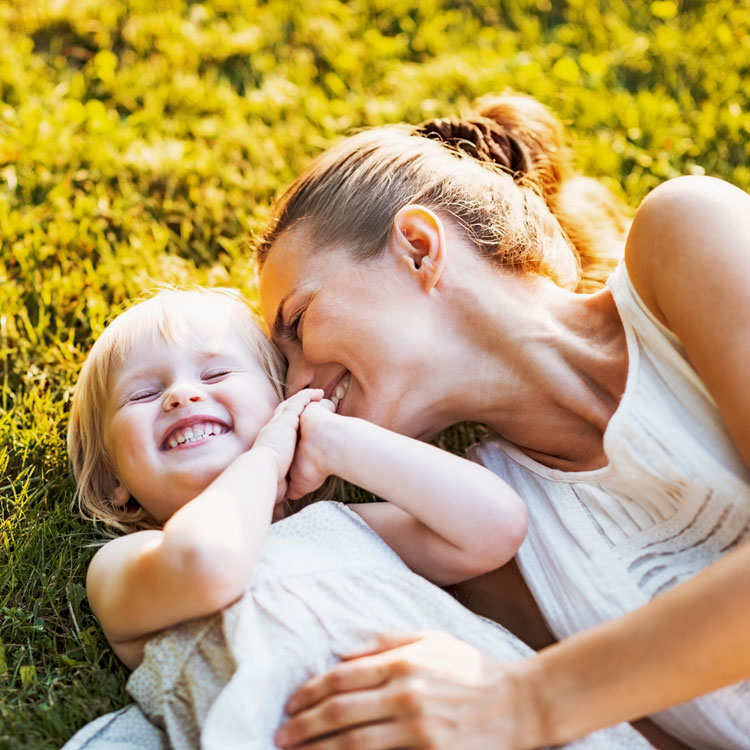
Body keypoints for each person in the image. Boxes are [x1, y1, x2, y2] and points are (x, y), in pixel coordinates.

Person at [256, 93, 750, 750]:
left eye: (297, 323)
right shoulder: (487, 548)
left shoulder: (687, 235)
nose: (297, 385)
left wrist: (527, 701)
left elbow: (541, 704)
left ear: (417, 246)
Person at [64, 287, 651, 749]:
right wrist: (268, 457)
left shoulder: (345, 527)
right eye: (143, 395)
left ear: (280, 404)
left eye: (215, 375)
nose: (181, 396)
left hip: (471, 716)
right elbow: (210, 562)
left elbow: (495, 525)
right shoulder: (128, 565)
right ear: (118, 485)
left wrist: (333, 441)